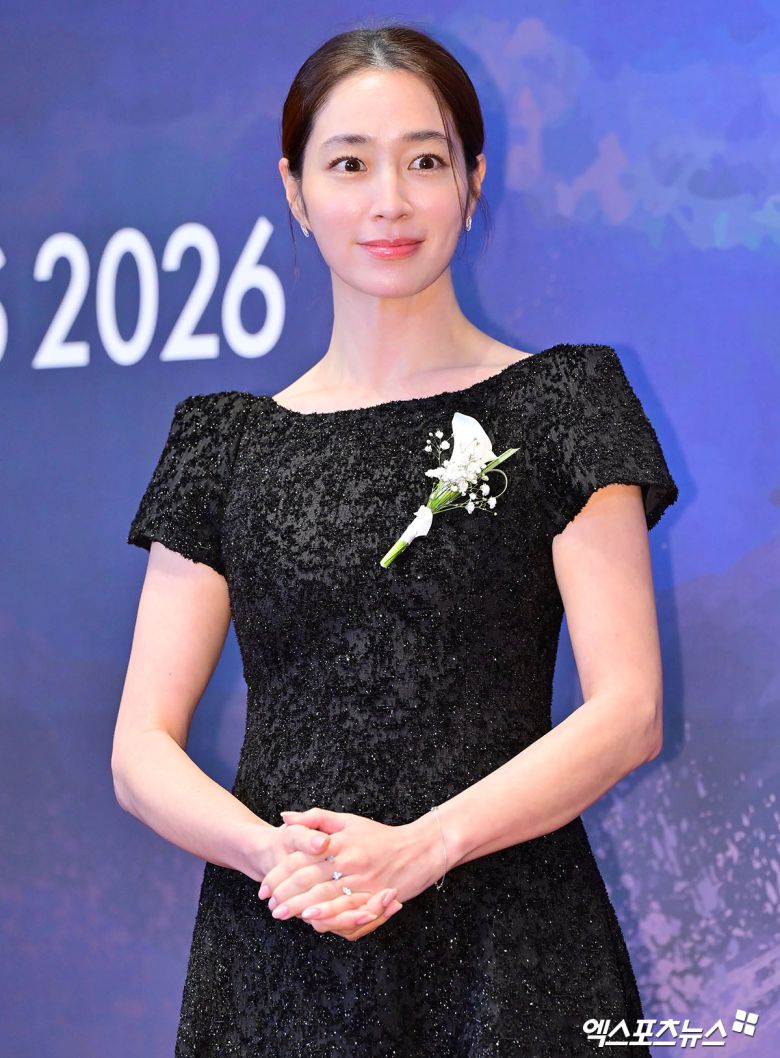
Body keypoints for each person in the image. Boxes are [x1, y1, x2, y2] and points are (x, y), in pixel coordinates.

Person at [113, 21, 679, 1058]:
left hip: (511, 941)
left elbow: (630, 710)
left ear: (473, 180)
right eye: (349, 164)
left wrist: (426, 847)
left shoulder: (564, 403)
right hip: (281, 939)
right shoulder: (223, 443)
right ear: (294, 190)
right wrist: (274, 856)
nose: (389, 201)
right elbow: (140, 746)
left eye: (424, 161)